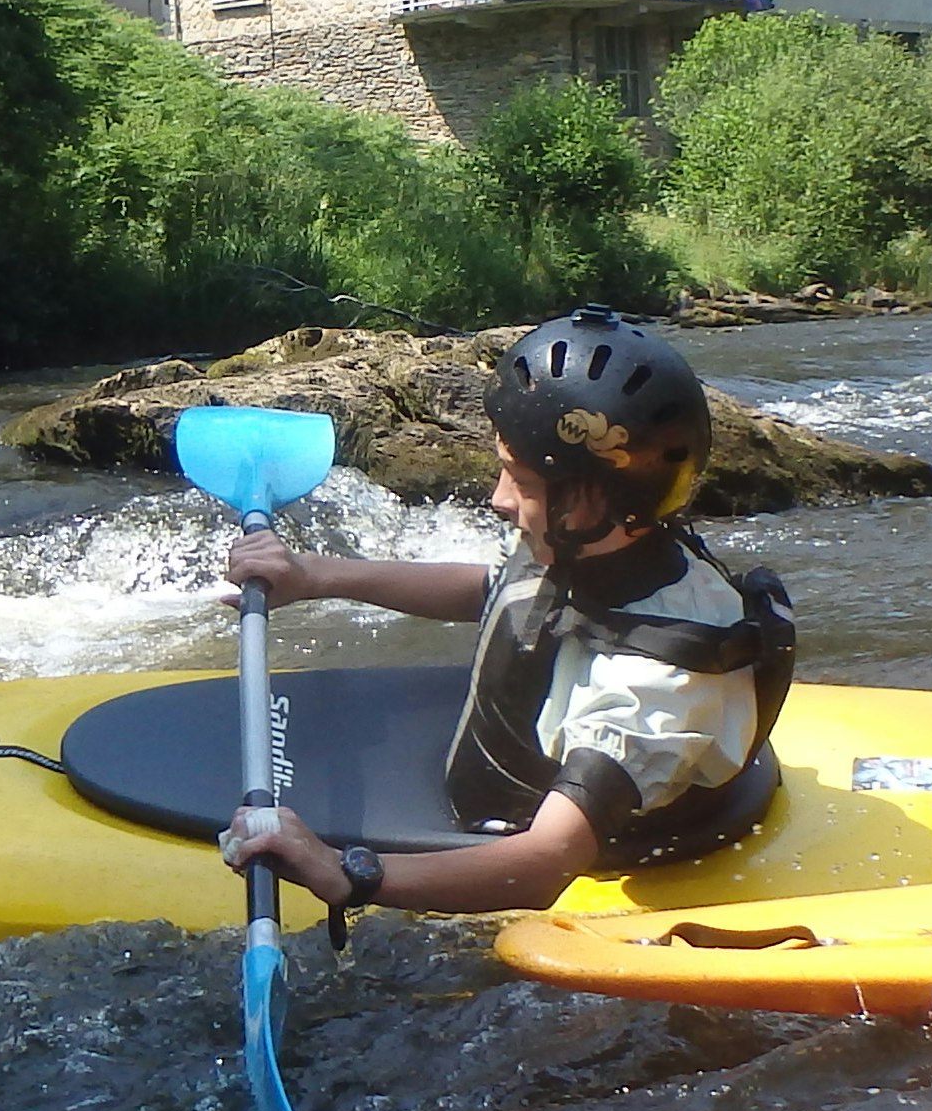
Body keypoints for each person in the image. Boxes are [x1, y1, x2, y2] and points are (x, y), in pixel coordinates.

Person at [215, 308, 793, 916]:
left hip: (560, 847)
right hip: (521, 778)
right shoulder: (596, 542)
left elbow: (542, 866)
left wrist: (343, 874)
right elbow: (498, 592)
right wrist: (316, 575)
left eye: (518, 478)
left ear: (590, 500)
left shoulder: (650, 691)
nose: (498, 497)